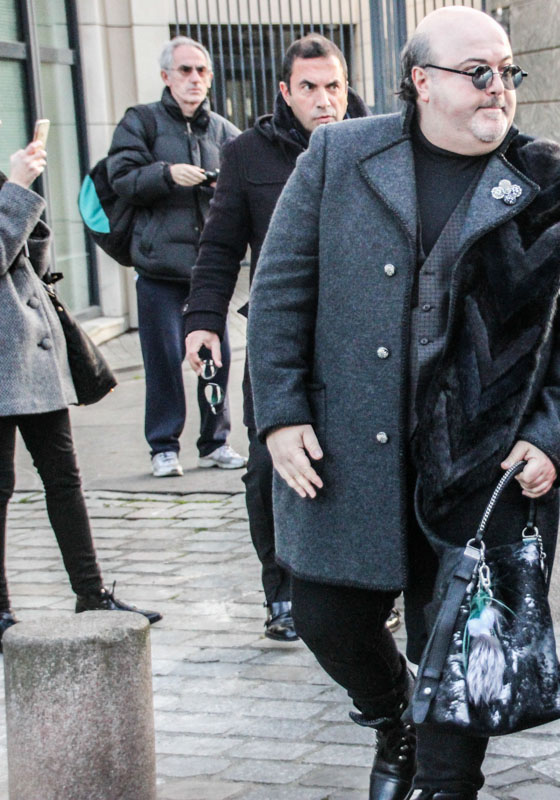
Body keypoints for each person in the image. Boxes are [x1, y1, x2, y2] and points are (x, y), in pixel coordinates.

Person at [247, 8, 560, 799]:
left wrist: (553, 439)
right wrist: (279, 415)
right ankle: (391, 721)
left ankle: (444, 779)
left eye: (507, 71)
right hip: (347, 452)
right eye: (477, 71)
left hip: (485, 471)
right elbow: (279, 295)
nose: (498, 88)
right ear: (421, 80)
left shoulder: (554, 179)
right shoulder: (338, 155)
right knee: (325, 616)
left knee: (456, 661)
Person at [181, 34, 369, 643]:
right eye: (309, 88)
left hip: (363, 339)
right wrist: (203, 320)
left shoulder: (382, 140)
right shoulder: (247, 155)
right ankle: (282, 593)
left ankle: (362, 588)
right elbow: (219, 246)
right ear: (285, 92)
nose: (324, 100)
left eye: (333, 86)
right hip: (278, 339)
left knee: (360, 464)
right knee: (268, 468)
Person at [0, 133, 161, 645]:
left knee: (64, 480)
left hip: (31, 355)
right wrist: (19, 192)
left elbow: (33, 265)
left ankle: (91, 593)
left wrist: (26, 202)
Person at [107, 35, 244, 478]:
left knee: (216, 358)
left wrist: (218, 183)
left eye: (202, 71)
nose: (195, 79)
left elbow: (243, 186)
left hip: (207, 272)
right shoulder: (140, 121)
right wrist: (167, 175)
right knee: (164, 360)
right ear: (166, 76)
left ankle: (215, 442)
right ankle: (163, 447)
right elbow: (121, 177)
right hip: (158, 267)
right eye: (185, 70)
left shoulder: (223, 131)